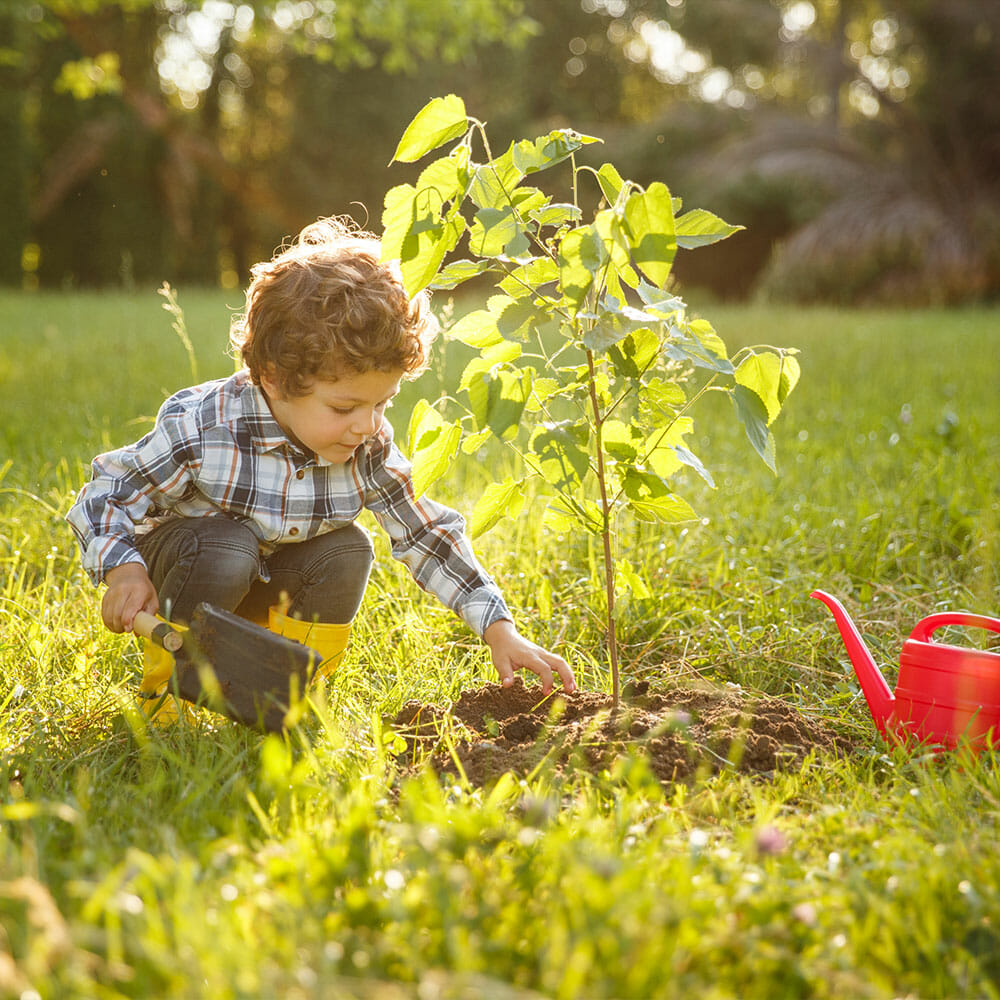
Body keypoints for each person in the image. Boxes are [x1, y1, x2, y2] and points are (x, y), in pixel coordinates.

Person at [66, 217, 575, 698]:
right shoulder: (206, 427)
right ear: (272, 377)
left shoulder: (366, 445)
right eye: (345, 406)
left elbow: (425, 533)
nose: (368, 424)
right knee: (229, 547)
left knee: (347, 549)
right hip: (190, 573)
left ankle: (283, 689)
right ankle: (176, 691)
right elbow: (107, 492)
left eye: (383, 402)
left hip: (267, 586)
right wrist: (123, 572)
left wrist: (499, 628)